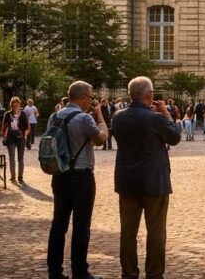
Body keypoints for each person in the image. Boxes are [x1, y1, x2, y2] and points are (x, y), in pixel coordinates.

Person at [112, 77, 181, 279]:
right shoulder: (156, 118)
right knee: (156, 231)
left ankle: (129, 272)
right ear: (149, 94)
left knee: (128, 232)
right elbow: (175, 137)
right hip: (154, 181)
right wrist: (166, 113)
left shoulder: (118, 116)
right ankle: (154, 273)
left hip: (127, 180)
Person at [46, 80, 109, 279]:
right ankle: (80, 272)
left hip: (60, 175)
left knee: (58, 225)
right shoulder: (84, 118)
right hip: (81, 177)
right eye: (91, 97)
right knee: (81, 226)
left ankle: (54, 272)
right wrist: (99, 115)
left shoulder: (54, 116)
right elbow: (101, 138)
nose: (92, 101)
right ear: (82, 97)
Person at [1, 97, 30, 184]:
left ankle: (20, 176)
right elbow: (4, 126)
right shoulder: (7, 114)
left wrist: (24, 135)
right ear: (11, 106)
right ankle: (13, 176)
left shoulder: (23, 114)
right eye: (13, 105)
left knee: (20, 158)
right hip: (10, 138)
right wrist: (4, 136)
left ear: (19, 105)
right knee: (11, 158)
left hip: (21, 138)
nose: (15, 107)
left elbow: (28, 127)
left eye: (17, 105)